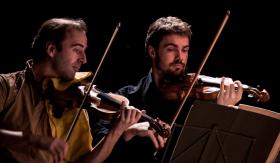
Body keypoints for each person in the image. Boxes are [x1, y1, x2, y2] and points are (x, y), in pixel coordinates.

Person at [94, 16, 244, 162]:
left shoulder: (195, 100)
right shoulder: (126, 98)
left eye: (185, 50)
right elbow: (97, 147)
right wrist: (128, 132)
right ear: (152, 52)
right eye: (172, 49)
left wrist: (223, 113)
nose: (180, 58)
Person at [0, 17, 148, 163]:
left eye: (84, 51)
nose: (84, 59)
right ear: (51, 49)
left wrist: (116, 132)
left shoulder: (75, 99)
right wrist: (30, 139)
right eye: (77, 50)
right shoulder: (7, 86)